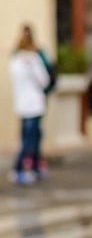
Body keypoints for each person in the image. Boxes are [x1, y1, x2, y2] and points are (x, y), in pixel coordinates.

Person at [8, 24, 51, 185]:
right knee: (30, 138)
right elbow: (44, 80)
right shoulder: (33, 59)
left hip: (21, 105)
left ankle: (34, 168)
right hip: (34, 104)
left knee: (31, 136)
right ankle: (19, 168)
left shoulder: (14, 60)